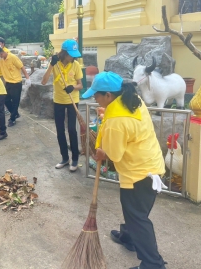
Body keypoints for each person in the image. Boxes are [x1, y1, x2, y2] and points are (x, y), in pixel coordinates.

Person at [82, 71, 167, 269]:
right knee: (135, 212)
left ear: (109, 96)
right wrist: (106, 115)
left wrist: (101, 153)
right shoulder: (132, 99)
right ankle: (129, 237)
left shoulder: (116, 122)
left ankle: (153, 264)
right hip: (151, 165)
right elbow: (124, 124)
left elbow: (114, 154)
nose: (95, 98)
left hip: (138, 175)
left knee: (138, 218)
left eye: (97, 95)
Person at [41, 39, 83, 171]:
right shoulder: (55, 64)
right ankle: (65, 158)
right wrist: (51, 65)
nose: (73, 56)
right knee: (60, 130)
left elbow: (80, 85)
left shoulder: (75, 65)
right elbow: (44, 81)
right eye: (71, 54)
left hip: (72, 100)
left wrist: (73, 87)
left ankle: (75, 159)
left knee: (71, 129)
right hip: (58, 100)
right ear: (64, 53)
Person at [0, 45, 31, 127]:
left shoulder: (13, 57)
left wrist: (27, 78)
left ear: (1, 53)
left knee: (15, 102)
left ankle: (12, 119)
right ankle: (15, 113)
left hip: (16, 83)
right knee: (6, 100)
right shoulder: (0, 60)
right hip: (8, 83)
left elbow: (21, 67)